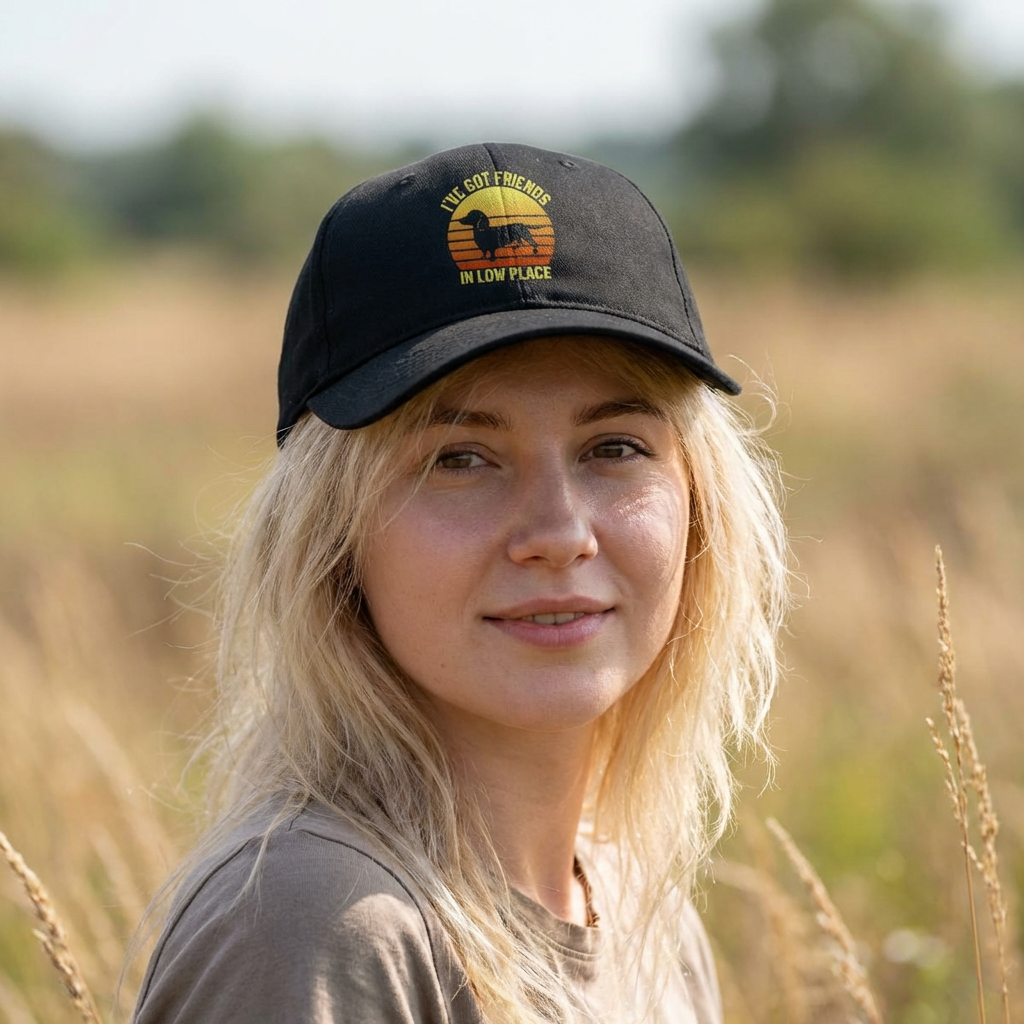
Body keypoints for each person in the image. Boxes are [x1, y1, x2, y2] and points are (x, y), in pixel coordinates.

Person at [132, 143, 789, 1024]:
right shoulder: (319, 924)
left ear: (700, 507)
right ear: (332, 536)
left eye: (615, 448)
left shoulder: (643, 911)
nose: (558, 534)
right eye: (460, 458)